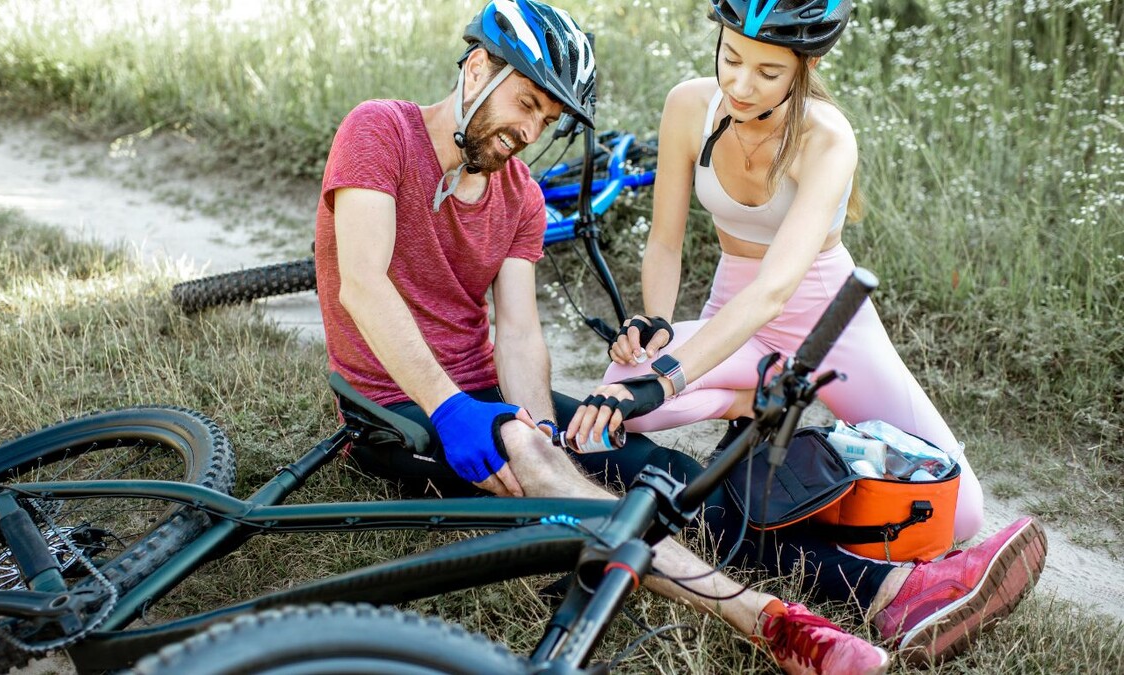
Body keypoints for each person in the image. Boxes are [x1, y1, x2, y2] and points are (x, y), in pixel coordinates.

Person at [314, 1, 892, 672]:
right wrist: (454, 410)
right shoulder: (380, 130)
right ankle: (768, 621)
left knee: (666, 471)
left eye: (546, 119)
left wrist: (543, 428)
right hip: (392, 411)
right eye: (526, 102)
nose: (530, 130)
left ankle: (880, 586)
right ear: (476, 68)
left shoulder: (522, 195)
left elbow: (521, 332)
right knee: (538, 455)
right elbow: (362, 284)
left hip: (482, 399)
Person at [566, 0, 1047, 665]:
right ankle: (748, 405)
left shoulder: (828, 136)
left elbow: (776, 290)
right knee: (612, 398)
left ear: (808, 64)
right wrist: (652, 328)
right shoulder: (687, 105)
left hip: (826, 317)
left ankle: (790, 435)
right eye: (731, 58)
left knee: (959, 512)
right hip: (738, 319)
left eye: (767, 72)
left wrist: (669, 377)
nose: (739, 83)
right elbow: (666, 241)